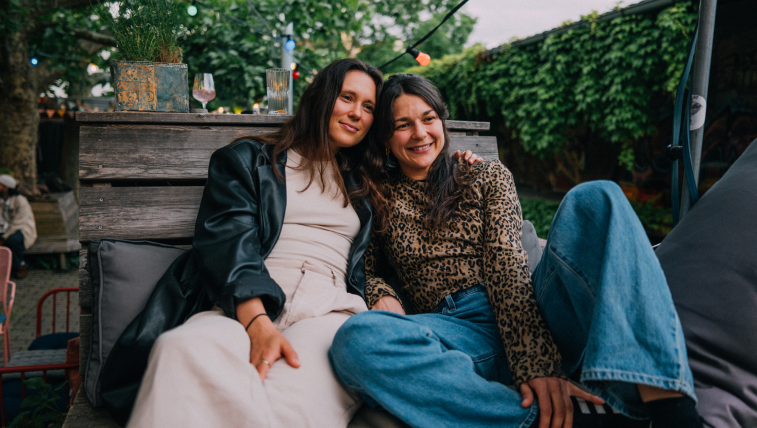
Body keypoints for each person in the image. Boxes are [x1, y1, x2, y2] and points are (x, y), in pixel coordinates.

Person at [329, 74, 703, 428]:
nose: (420, 133)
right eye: (402, 125)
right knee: (358, 339)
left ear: (443, 122)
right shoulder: (378, 195)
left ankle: (671, 408)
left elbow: (506, 264)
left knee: (596, 196)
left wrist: (535, 360)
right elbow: (369, 267)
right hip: (457, 331)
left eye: (428, 119)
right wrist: (380, 292)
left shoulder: (484, 175)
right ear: (386, 138)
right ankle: (548, 418)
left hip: (534, 308)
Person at [109, 58, 385, 428]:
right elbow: (226, 239)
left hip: (330, 309)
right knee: (181, 350)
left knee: (284, 400)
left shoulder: (368, 185)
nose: (357, 113)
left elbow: (422, 154)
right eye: (347, 97)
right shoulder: (248, 161)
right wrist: (256, 321)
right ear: (320, 98)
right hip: (245, 298)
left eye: (368, 106)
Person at [0, 174, 37, 279]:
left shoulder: (20, 200)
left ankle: (20, 265)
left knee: (13, 240)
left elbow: (18, 223)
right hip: (0, 228)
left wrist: (4, 237)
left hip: (19, 229)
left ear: (5, 188)